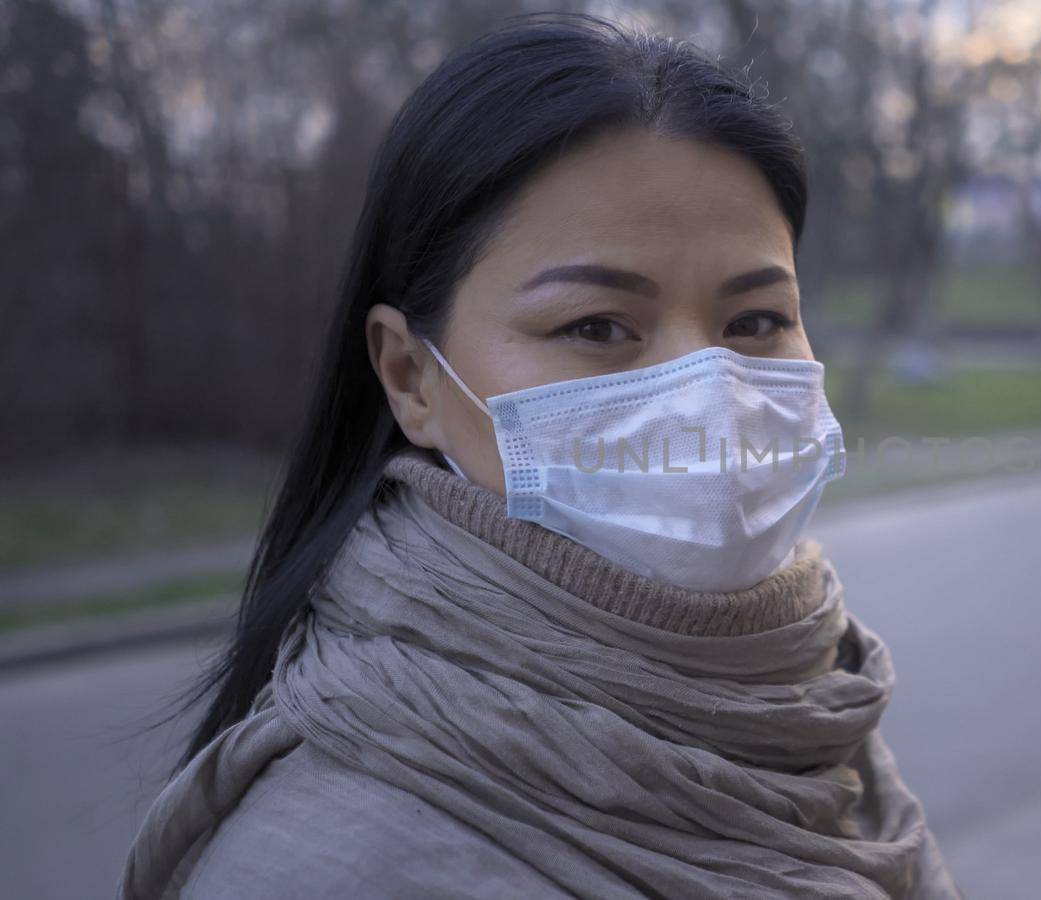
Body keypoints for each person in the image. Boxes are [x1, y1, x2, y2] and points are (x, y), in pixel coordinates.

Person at [117, 12, 962, 899]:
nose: (703, 389)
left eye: (756, 321)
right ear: (410, 375)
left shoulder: (815, 716)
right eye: (595, 325)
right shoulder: (328, 861)